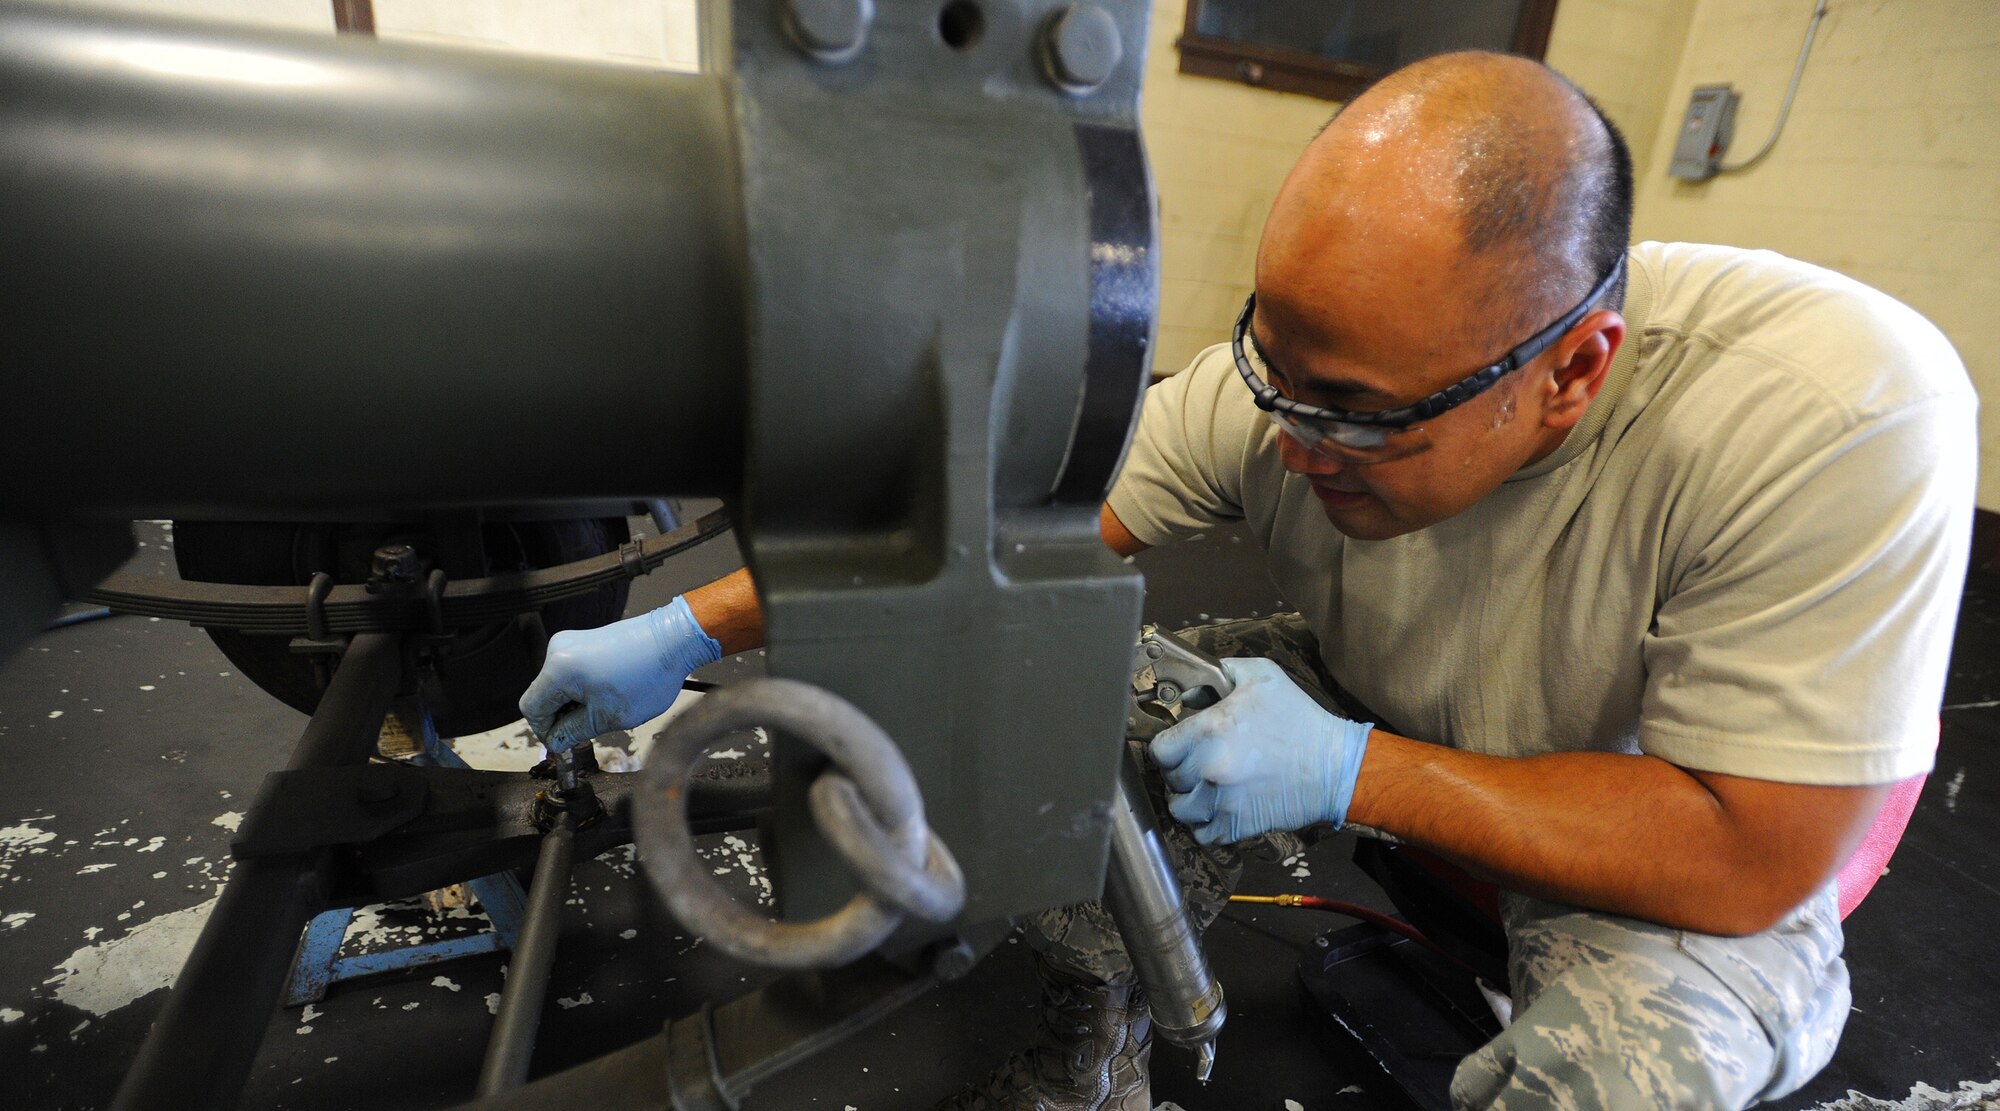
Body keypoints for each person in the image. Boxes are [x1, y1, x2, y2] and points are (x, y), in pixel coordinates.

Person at [520, 51, 1977, 1111]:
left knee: (1618, 1081)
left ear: (1571, 373)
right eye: (1273, 370)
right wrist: (679, 630)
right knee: (1066, 695)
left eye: (1354, 413)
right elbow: (990, 562)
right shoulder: (1290, 390)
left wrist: (1354, 773)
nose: (1293, 440)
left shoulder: (1836, 410)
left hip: (1662, 826)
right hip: (1377, 693)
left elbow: (1754, 852)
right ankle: (1098, 1022)